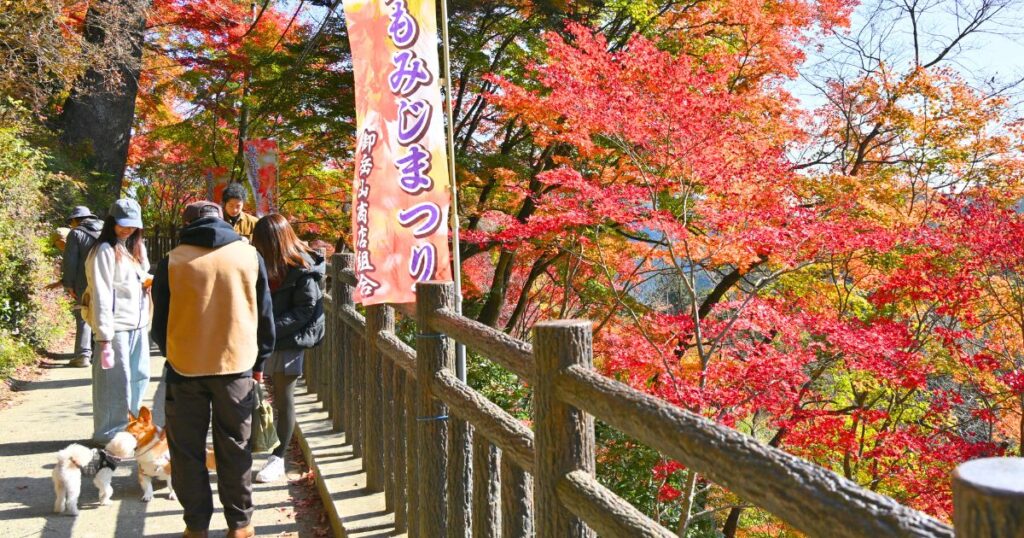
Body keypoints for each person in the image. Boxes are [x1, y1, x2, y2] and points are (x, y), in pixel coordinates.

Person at [151, 200, 274, 538]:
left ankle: (196, 526)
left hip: (185, 366)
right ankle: (240, 525)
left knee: (187, 450)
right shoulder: (249, 256)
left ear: (186, 224)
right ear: (224, 220)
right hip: (237, 366)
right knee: (235, 447)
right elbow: (265, 315)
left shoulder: (171, 261)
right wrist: (260, 362)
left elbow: (159, 324)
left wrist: (174, 352)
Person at [250, 214, 325, 483]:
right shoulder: (263, 261)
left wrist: (269, 328)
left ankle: (277, 458)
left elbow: (305, 310)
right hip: (264, 336)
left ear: (273, 242)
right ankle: (253, 448)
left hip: (290, 338)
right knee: (251, 394)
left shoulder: (302, 267)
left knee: (284, 398)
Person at [83, 199, 151, 444]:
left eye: (133, 226)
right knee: (113, 383)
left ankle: (129, 427)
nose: (127, 229)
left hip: (138, 325)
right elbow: (101, 294)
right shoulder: (103, 250)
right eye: (123, 225)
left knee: (138, 377)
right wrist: (104, 336)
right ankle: (108, 433)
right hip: (116, 329)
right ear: (111, 221)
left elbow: (139, 279)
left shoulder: (132, 249)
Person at [61, 206, 103, 367]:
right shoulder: (108, 229)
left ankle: (82, 355)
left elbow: (70, 262)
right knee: (104, 312)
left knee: (83, 314)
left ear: (75, 220)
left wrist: (68, 284)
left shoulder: (76, 233)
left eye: (71, 222)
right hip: (110, 278)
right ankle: (101, 353)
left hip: (84, 280)